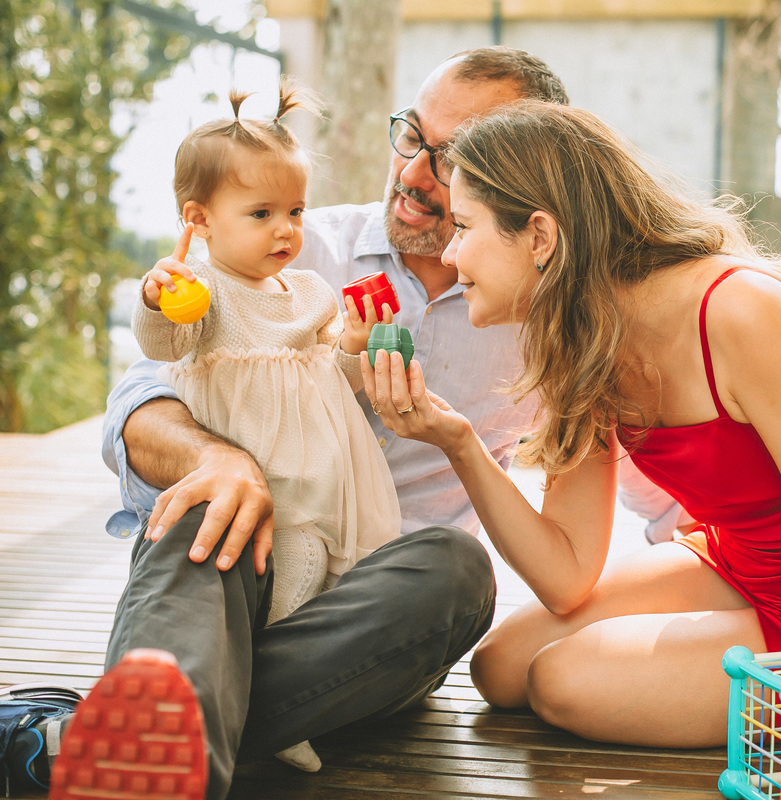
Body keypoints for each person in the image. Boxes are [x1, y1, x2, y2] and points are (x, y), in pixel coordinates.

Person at [362, 101, 781, 800]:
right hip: (743, 562)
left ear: (539, 235)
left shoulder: (743, 312)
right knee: (502, 667)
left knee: (561, 680)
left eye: (465, 228)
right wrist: (457, 441)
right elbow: (565, 574)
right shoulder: (583, 338)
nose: (448, 254)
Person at [41, 48, 569, 800]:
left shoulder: (547, 327)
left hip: (367, 616)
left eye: (452, 159)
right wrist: (215, 458)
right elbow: (135, 408)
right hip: (229, 578)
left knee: (455, 568)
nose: (414, 172)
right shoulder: (272, 240)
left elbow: (656, 491)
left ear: (521, 178)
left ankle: (120, 728)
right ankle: (151, 741)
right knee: (203, 505)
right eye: (411, 136)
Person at [132, 83, 402, 623]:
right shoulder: (200, 289)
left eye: (296, 210)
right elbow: (164, 346)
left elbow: (335, 376)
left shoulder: (309, 292)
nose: (286, 229)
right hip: (234, 494)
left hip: (314, 495)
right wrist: (156, 299)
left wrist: (352, 340)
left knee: (306, 591)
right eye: (261, 214)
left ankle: (270, 684)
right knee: (234, 601)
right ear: (201, 220)